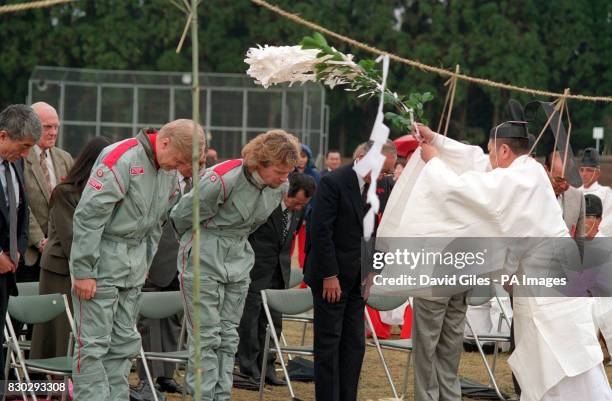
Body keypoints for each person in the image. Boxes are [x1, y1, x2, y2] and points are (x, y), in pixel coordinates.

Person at [394, 123, 611, 401]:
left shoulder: (519, 180)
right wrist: (437, 139)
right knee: (553, 368)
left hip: (549, 296)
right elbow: (476, 160)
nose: (489, 159)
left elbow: (465, 188)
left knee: (562, 370)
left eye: (492, 152)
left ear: (505, 150)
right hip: (547, 287)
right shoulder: (527, 171)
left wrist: (435, 161)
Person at [70, 120, 205, 401]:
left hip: (133, 269)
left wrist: (145, 264)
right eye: (179, 160)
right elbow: (89, 217)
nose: (178, 168)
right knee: (93, 346)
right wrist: (83, 271)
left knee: (123, 344)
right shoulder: (121, 158)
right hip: (101, 266)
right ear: (164, 142)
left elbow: (157, 224)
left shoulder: (165, 169)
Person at [171, 129, 299, 401]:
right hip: (203, 253)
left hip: (239, 257)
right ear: (261, 163)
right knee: (204, 338)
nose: (284, 178)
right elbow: (181, 216)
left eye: (288, 172)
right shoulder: (222, 179)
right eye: (279, 170)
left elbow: (254, 223)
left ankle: (221, 395)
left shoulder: (280, 188)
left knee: (229, 337)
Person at [304, 140, 396, 401]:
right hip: (330, 278)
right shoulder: (334, 182)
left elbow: (375, 234)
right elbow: (321, 232)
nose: (383, 176)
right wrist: (329, 275)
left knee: (354, 345)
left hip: (358, 279)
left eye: (387, 172)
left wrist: (372, 272)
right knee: (329, 344)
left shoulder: (377, 189)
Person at [30, 136, 111, 360]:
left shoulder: (104, 193)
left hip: (86, 268)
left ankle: (71, 384)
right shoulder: (65, 192)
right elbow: (71, 238)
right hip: (61, 270)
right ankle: (50, 385)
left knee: (76, 333)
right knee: (57, 333)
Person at [132, 155, 205, 401]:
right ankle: (146, 379)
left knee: (174, 320)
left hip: (182, 263)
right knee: (149, 323)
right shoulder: (163, 179)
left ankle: (166, 375)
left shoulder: (201, 185)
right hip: (155, 261)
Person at [237, 172, 316, 385]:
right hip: (255, 272)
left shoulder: (297, 213)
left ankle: (268, 367)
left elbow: (291, 238)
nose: (298, 207)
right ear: (286, 193)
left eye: (303, 204)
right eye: (296, 201)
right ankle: (248, 368)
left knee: (273, 324)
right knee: (250, 322)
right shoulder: (265, 204)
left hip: (279, 274)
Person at [0, 104, 41, 378]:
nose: (26, 154)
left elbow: (21, 212)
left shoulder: (14, 164)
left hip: (7, 271)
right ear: (3, 136)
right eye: (24, 146)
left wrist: (18, 249)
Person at [20, 102, 74, 283]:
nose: (53, 132)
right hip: (29, 254)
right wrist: (39, 241)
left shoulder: (65, 158)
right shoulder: (20, 157)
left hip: (59, 254)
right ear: (31, 126)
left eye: (56, 126)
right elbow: (20, 203)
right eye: (47, 127)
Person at [544, 151, 585, 253]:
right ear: (546, 170)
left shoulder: (578, 197)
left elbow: (580, 242)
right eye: (559, 180)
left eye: (568, 180)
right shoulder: (531, 196)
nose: (563, 186)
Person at [578, 147, 612, 236]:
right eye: (582, 170)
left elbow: (607, 222)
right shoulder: (575, 193)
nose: (584, 174)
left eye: (589, 170)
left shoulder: (606, 193)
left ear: (598, 173)